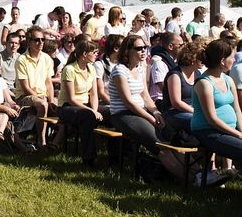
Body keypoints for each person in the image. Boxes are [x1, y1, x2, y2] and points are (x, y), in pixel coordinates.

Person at [191, 39, 242, 211]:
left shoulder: (227, 80)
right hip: (208, 131)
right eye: (232, 57)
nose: (234, 60)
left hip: (231, 131)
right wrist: (240, 136)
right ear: (222, 60)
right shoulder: (204, 83)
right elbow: (211, 118)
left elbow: (237, 110)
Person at [107, 35, 165, 167]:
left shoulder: (140, 68)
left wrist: (156, 113)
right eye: (139, 48)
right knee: (156, 141)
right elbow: (128, 102)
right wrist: (150, 118)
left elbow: (145, 95)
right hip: (122, 114)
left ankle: (194, 172)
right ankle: (189, 176)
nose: (144, 51)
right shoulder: (119, 70)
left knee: (167, 135)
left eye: (145, 47)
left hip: (139, 112)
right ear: (127, 51)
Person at [57, 40, 103, 166]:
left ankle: (115, 158)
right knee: (87, 116)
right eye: (94, 52)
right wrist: (92, 112)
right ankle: (89, 158)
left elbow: (94, 94)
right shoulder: (69, 69)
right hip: (67, 107)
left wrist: (95, 110)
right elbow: (71, 99)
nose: (96, 55)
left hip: (85, 105)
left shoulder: (91, 69)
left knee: (111, 112)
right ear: (84, 54)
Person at [15, 26, 59, 151]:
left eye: (42, 40)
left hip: (43, 95)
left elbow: (49, 83)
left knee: (60, 105)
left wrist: (51, 100)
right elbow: (25, 87)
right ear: (29, 42)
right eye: (37, 40)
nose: (40, 43)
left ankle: (56, 142)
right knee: (42, 105)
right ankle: (42, 141)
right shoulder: (21, 60)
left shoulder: (47, 58)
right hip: (24, 96)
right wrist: (43, 99)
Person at [148, 32, 181, 101]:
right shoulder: (159, 62)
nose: (183, 48)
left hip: (173, 99)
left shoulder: (174, 61)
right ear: (170, 46)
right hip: (161, 100)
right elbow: (162, 86)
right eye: (180, 45)